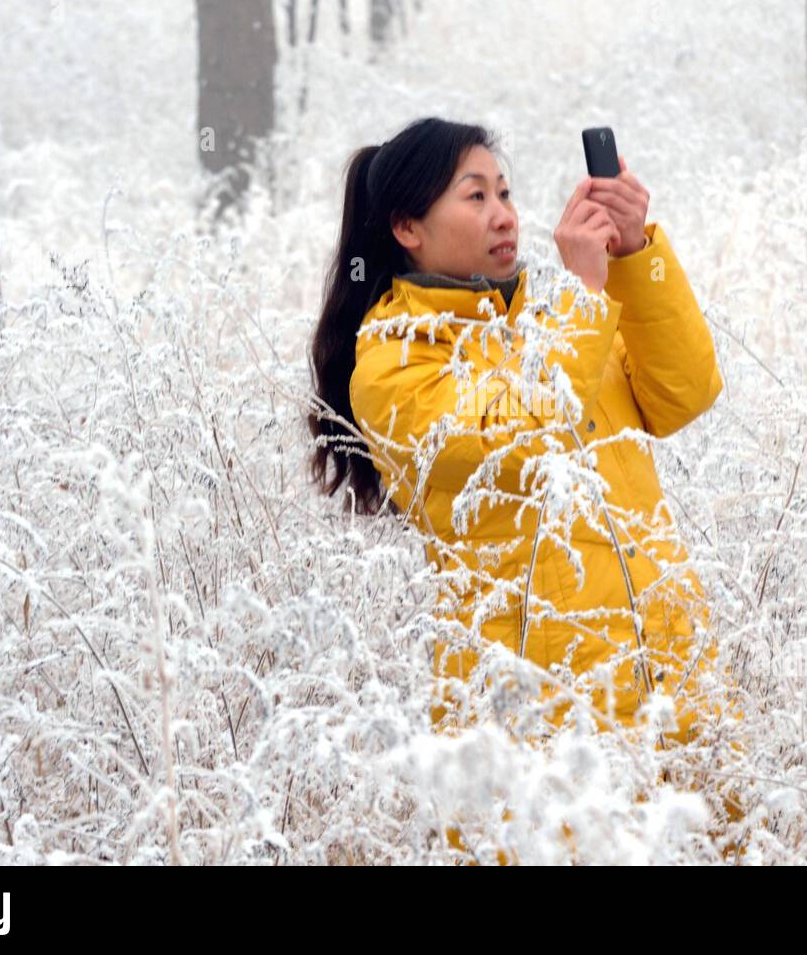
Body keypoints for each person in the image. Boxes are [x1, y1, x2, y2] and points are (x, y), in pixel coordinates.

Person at [307, 117, 745, 863]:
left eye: (504, 191)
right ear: (406, 227)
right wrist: (584, 293)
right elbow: (525, 433)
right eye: (474, 196)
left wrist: (635, 256)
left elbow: (685, 392)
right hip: (535, 730)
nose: (504, 213)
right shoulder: (392, 367)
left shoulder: (556, 322)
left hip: (668, 687)